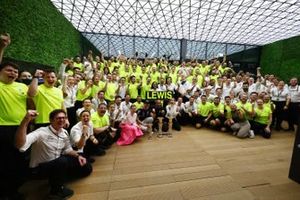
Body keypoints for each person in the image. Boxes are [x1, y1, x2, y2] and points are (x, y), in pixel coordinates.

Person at [15, 109, 92, 199]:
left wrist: (78, 156)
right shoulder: (41, 132)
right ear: (51, 120)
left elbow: (67, 149)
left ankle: (61, 178)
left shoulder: (64, 132)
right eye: (58, 118)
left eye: (63, 118)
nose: (62, 120)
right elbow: (20, 145)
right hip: (39, 169)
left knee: (86, 166)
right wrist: (25, 121)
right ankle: (56, 191)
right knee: (62, 161)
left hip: (56, 164)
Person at [0, 62, 29, 199]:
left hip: (22, 127)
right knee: (6, 160)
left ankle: (14, 189)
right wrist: (2, 47)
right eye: (9, 70)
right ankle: (6, 192)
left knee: (20, 158)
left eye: (16, 72)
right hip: (3, 128)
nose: (13, 73)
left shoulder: (22, 86)